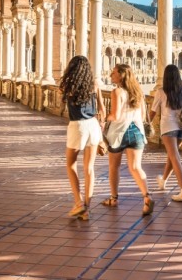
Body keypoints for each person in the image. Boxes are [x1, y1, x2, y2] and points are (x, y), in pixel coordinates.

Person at [100, 64, 153, 217]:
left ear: (122, 75)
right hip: (136, 132)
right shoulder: (138, 92)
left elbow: (115, 116)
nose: (111, 75)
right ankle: (147, 197)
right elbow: (143, 116)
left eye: (114, 72)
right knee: (136, 167)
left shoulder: (117, 91)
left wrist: (103, 118)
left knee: (114, 167)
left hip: (118, 133)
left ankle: (114, 198)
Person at [60, 55, 104, 220]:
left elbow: (61, 94)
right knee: (89, 168)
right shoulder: (95, 85)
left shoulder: (68, 86)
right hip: (93, 125)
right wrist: (101, 130)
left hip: (77, 126)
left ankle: (78, 202)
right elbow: (102, 111)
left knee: (71, 165)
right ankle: (86, 207)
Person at [150, 64, 182, 202]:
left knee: (175, 157)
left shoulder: (161, 92)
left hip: (168, 127)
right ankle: (163, 181)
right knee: (172, 156)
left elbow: (153, 111)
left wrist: (146, 124)